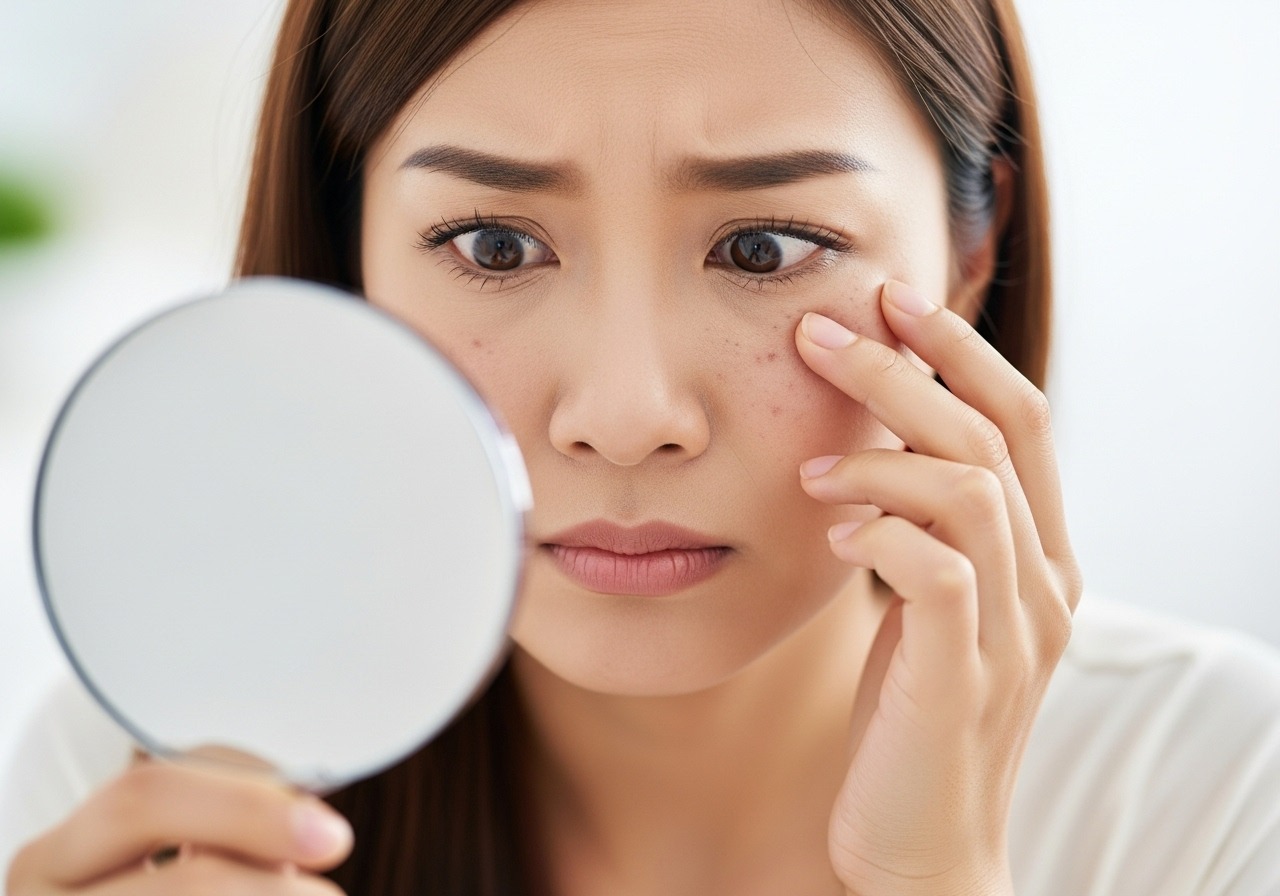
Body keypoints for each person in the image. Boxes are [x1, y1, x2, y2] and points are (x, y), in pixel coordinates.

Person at [5, 0, 1280, 894]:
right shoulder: (143, 790)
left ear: (969, 248)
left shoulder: (1221, 788)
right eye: (493, 246)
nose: (623, 412)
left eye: (763, 249)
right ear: (347, 265)